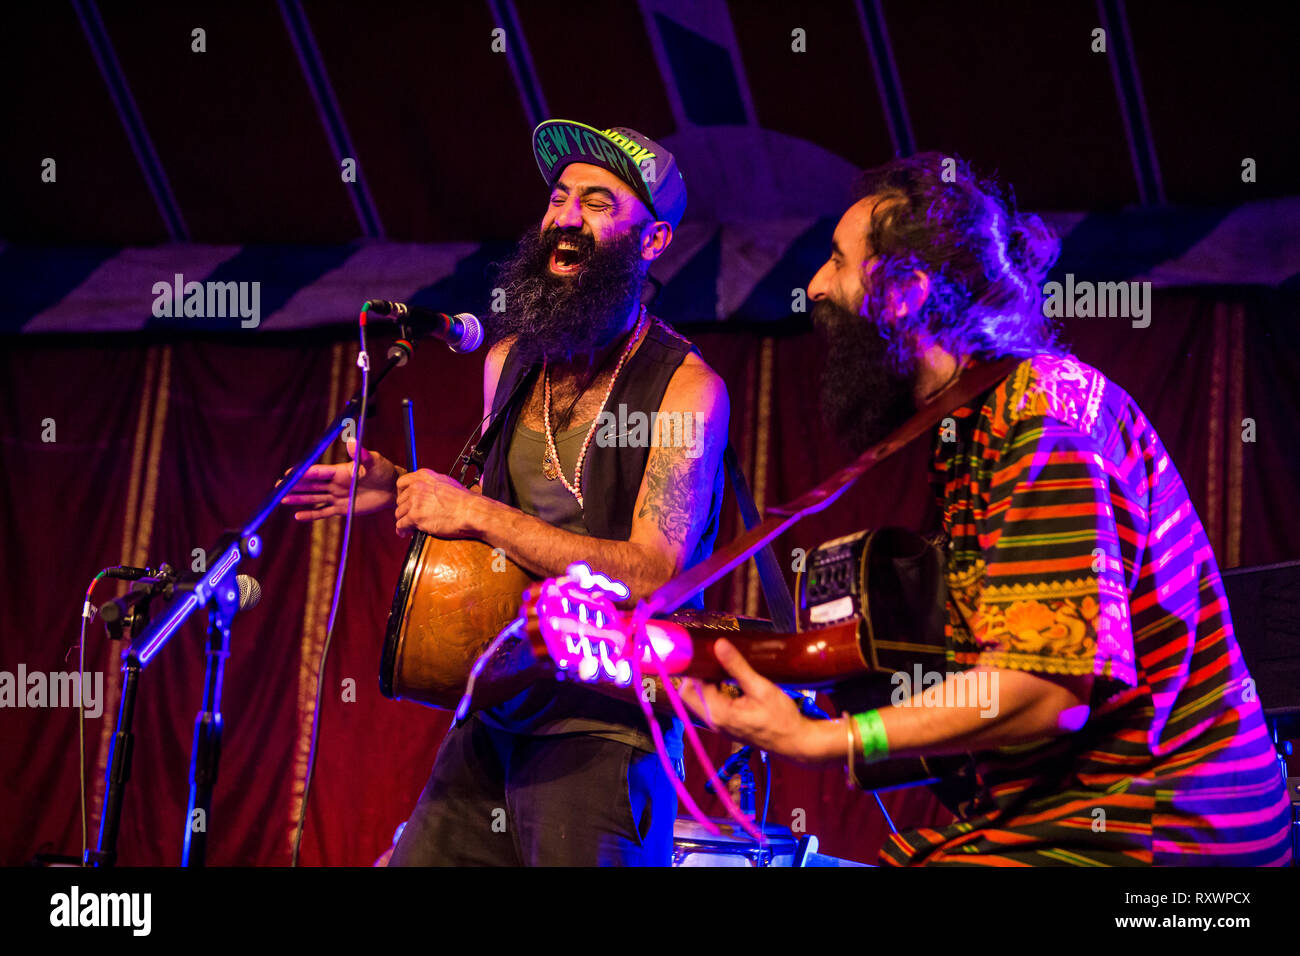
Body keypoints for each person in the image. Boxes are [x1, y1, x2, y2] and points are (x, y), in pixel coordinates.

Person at [683, 153, 1293, 866]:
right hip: (1070, 813)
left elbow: (1045, 690)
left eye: (838, 262)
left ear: (905, 291)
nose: (816, 285)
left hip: (1160, 826)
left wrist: (834, 740)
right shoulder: (979, 422)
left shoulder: (1041, 419)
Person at [284, 120, 729, 866]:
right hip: (496, 708)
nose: (564, 217)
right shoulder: (508, 363)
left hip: (606, 728)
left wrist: (476, 512)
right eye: (559, 199)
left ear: (651, 242)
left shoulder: (686, 389)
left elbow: (655, 571)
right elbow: (491, 527)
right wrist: (398, 484)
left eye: (596, 203)